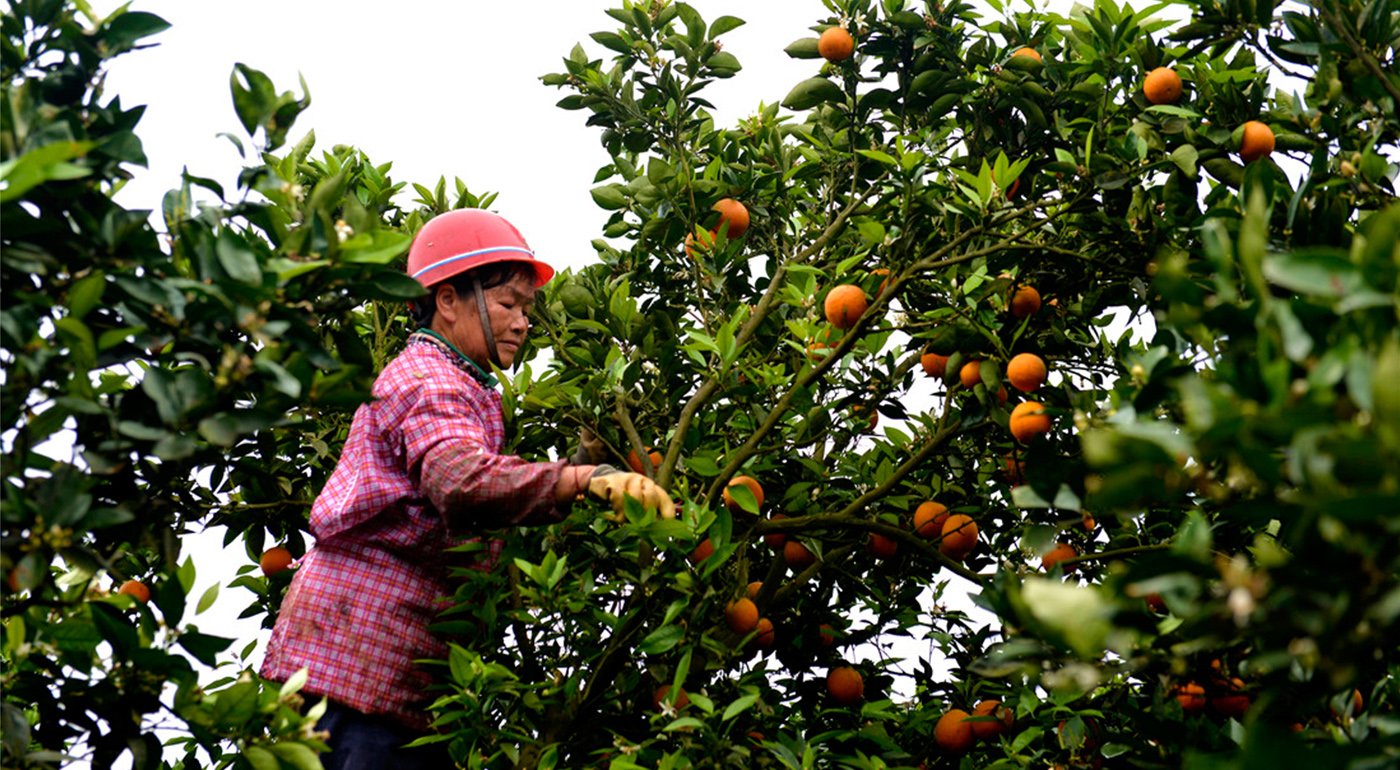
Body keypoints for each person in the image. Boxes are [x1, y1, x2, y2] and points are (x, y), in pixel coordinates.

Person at [260, 208, 673, 769]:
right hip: (353, 674)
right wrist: (583, 480)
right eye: (508, 305)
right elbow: (460, 482)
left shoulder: (458, 381)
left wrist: (582, 460)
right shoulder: (430, 379)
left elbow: (477, 496)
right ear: (448, 299)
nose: (523, 322)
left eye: (527, 308)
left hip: (384, 678)